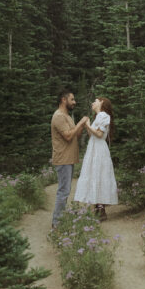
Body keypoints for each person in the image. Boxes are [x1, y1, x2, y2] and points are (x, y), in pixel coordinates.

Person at [73, 96, 119, 219]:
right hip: (93, 148)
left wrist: (87, 124)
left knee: (100, 175)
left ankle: (101, 210)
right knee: (94, 175)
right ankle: (98, 209)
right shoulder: (98, 117)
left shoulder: (104, 115)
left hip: (99, 149)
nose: (93, 103)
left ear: (102, 102)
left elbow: (99, 134)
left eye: (95, 101)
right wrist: (88, 125)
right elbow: (91, 134)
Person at [50, 89, 88, 230]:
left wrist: (82, 126)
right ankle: (57, 223)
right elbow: (67, 136)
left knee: (65, 190)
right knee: (63, 191)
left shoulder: (67, 116)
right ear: (63, 100)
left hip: (69, 159)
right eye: (72, 99)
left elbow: (75, 136)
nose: (74, 102)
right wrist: (80, 123)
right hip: (63, 159)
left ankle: (60, 220)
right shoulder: (59, 116)